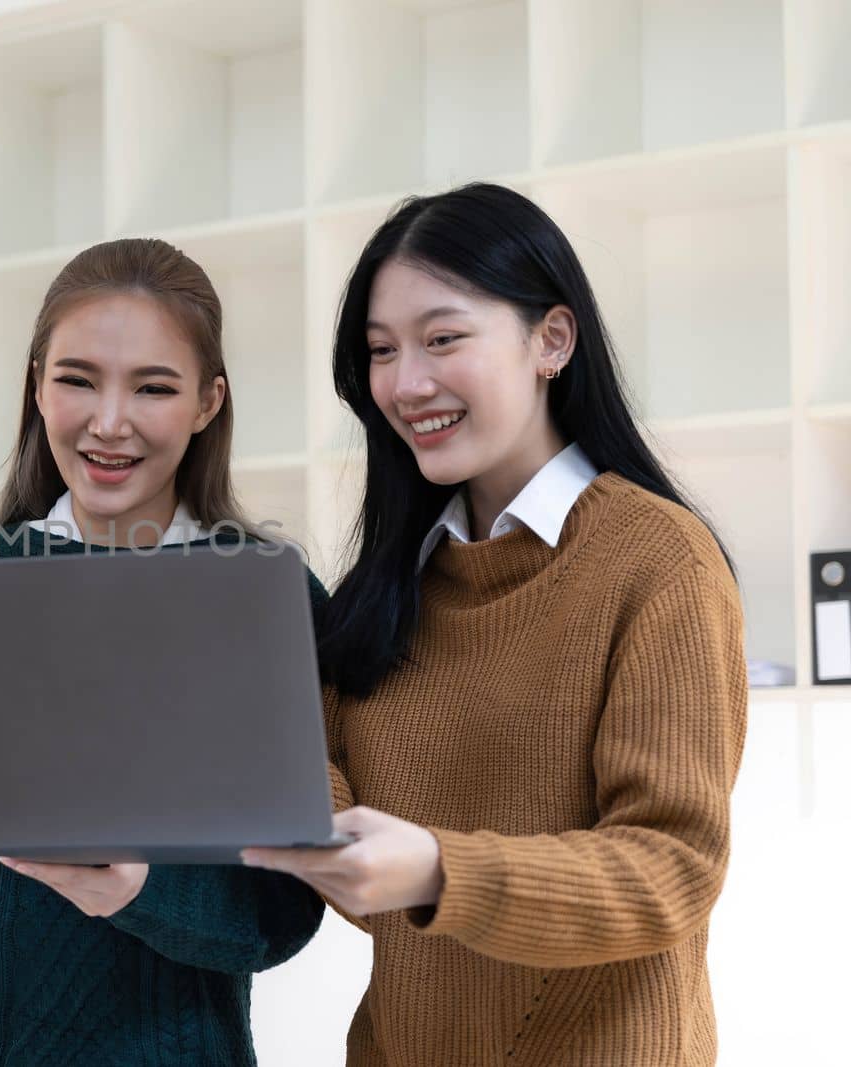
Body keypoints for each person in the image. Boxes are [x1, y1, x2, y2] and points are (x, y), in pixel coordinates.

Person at [243, 183, 748, 1066]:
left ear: (550, 341)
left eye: (443, 338)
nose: (406, 383)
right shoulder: (392, 582)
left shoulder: (661, 564)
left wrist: (443, 869)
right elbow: (330, 805)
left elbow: (673, 868)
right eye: (381, 350)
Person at [0, 237, 326, 1065]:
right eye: (76, 379)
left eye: (153, 387)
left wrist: (143, 887)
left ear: (208, 402)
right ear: (36, 387)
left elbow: (285, 907)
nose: (108, 421)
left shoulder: (263, 598)